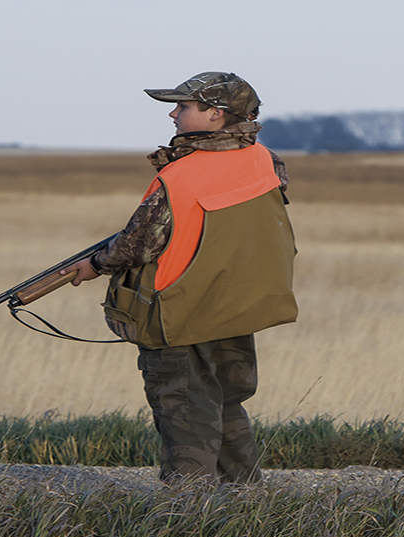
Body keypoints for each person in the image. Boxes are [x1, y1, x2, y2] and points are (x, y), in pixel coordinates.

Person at [61, 72, 298, 483]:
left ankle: (185, 517)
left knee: (185, 408)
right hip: (234, 306)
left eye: (184, 106)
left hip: (178, 310)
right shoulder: (264, 158)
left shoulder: (180, 176)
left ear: (215, 115)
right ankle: (245, 499)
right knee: (224, 402)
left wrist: (96, 265)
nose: (173, 113)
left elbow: (138, 245)